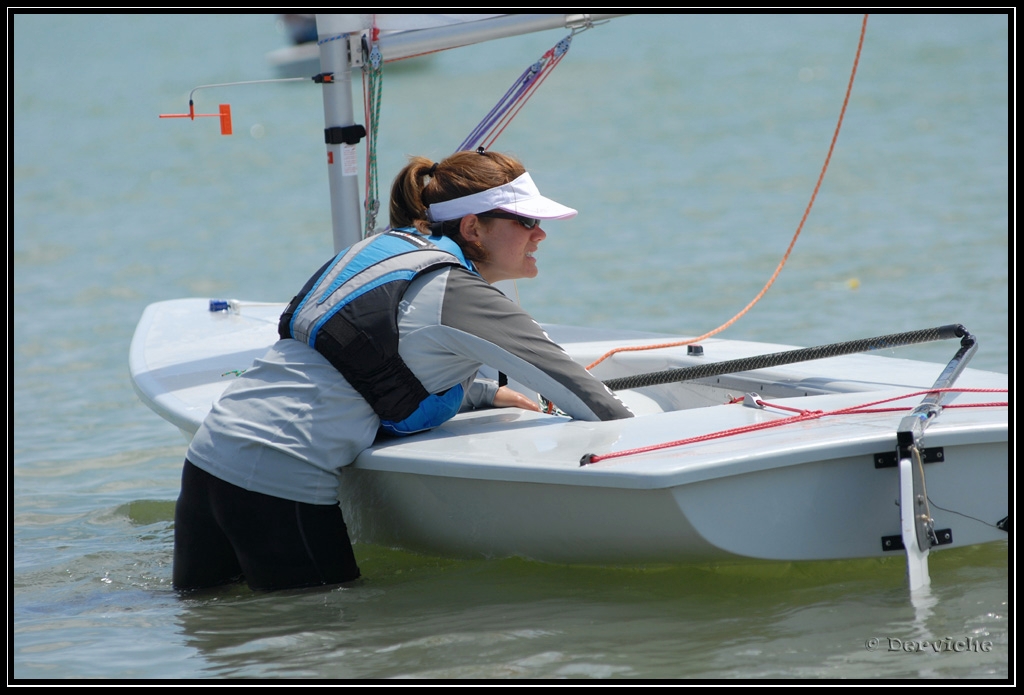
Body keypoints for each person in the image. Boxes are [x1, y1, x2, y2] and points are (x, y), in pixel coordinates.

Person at [172, 150, 633, 592]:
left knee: (214, 633)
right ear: (473, 227)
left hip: (209, 456)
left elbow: (371, 361)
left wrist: (481, 393)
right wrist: (644, 448)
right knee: (324, 644)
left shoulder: (389, 250)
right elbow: (586, 396)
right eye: (526, 221)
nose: (541, 235)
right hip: (278, 477)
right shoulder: (461, 293)